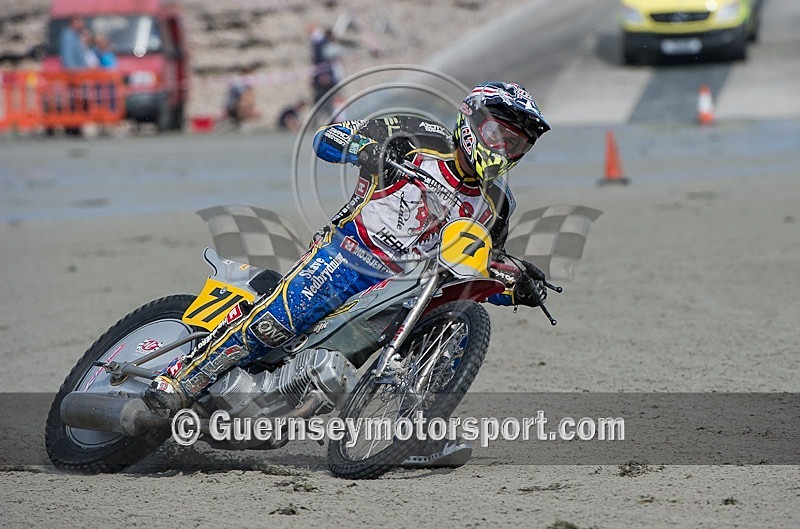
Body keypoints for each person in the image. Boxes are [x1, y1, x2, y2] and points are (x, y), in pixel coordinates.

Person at [145, 82, 551, 460]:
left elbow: (473, 269)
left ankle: (419, 429)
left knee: (451, 327)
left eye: (516, 144)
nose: (504, 148)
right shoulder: (418, 133)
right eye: (500, 134)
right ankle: (181, 382)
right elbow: (328, 138)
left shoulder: (498, 205)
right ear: (473, 122)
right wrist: (365, 148)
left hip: (406, 290)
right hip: (349, 254)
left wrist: (513, 287)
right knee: (282, 321)